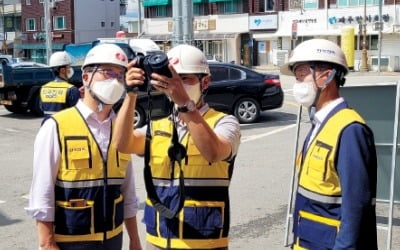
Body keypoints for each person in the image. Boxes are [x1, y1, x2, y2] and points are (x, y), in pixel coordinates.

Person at [113, 44, 241, 249]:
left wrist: (184, 103)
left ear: (205, 82)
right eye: (172, 79)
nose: (177, 86)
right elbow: (121, 144)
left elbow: (213, 152)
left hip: (204, 241)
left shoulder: (224, 123)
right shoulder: (158, 126)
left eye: (185, 79)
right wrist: (130, 95)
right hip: (158, 240)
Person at [25, 43, 142, 250]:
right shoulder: (56, 127)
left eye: (120, 75)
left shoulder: (121, 129)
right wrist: (47, 244)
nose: (114, 80)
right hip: (71, 243)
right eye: (107, 73)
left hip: (113, 240)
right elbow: (42, 195)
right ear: (86, 77)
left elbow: (128, 192)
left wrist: (134, 240)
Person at [280, 39, 377, 249]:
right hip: (309, 241)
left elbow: (356, 208)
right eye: (296, 77)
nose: (298, 84)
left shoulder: (350, 130)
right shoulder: (320, 123)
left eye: (303, 74)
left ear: (326, 75)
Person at [40, 51, 80, 118]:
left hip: (47, 126)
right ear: (62, 70)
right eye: (68, 67)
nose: (70, 69)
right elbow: (77, 113)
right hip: (64, 127)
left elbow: (42, 108)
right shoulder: (71, 89)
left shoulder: (44, 88)